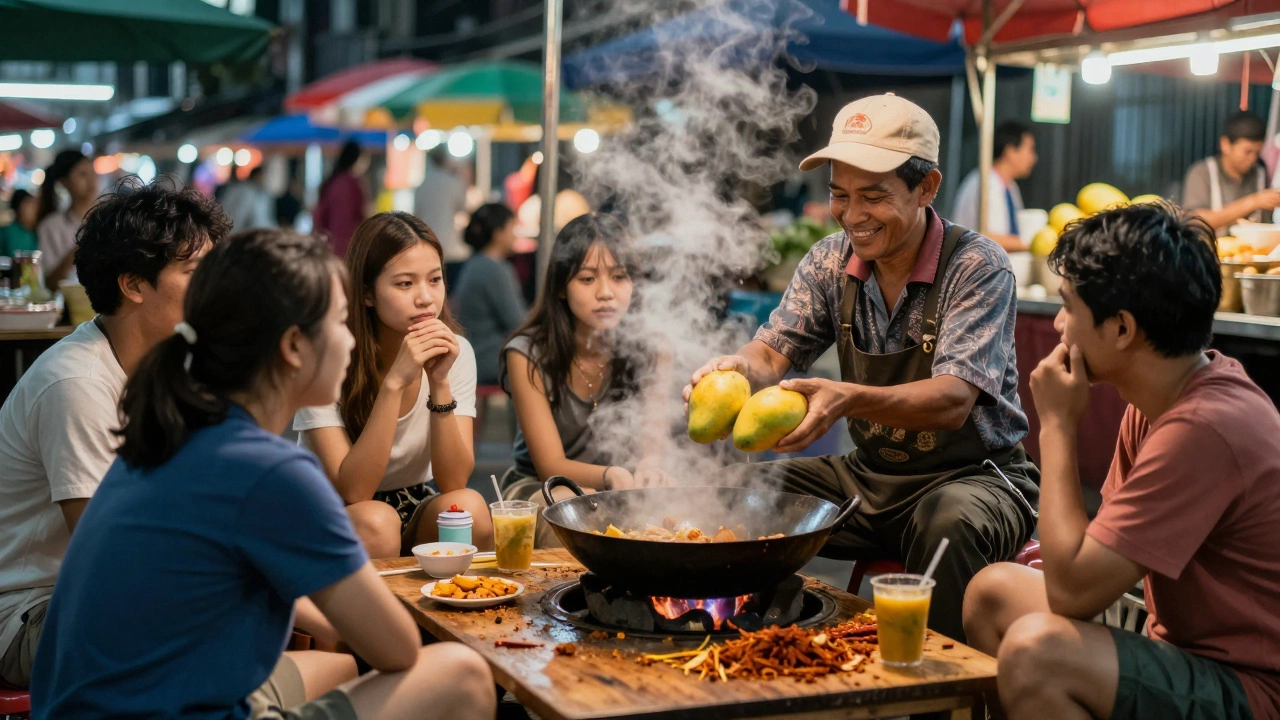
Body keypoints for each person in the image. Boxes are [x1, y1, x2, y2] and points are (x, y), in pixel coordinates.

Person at [29, 228, 496, 720]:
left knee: (340, 667)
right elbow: (398, 651)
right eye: (339, 322)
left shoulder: (174, 433)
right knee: (460, 673)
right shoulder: (271, 473)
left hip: (82, 704)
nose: (348, 337)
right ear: (294, 346)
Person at [684, 95, 1039, 642]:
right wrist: (734, 367)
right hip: (870, 479)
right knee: (734, 493)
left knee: (949, 521)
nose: (852, 216)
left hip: (976, 479)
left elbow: (953, 400)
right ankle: (750, 646)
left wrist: (847, 397)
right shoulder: (829, 260)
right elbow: (773, 353)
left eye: (873, 197)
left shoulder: (978, 265)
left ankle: (928, 698)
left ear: (927, 187)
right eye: (839, 195)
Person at [963, 202, 1280, 720]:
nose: (1060, 324)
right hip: (1177, 653)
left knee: (1035, 654)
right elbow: (1092, 560)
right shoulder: (1154, 403)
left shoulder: (1207, 427)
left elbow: (1071, 595)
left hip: (1251, 687)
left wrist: (1059, 426)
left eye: (1069, 306)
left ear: (1122, 329)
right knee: (992, 593)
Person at [0, 181, 230, 689]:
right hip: (34, 612)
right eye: (195, 273)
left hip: (114, 591)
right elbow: (112, 550)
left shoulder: (171, 365)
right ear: (133, 284)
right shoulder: (76, 383)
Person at [295, 212, 491, 558]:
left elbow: (453, 481)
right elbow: (354, 490)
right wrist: (394, 383)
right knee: (376, 520)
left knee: (470, 509)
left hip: (414, 501)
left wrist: (440, 380)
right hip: (336, 511)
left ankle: (445, 610)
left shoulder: (456, 352)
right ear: (367, 294)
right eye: (405, 284)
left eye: (435, 280)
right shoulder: (326, 356)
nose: (426, 298)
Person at [500, 214, 671, 527]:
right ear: (561, 287)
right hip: (542, 487)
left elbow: (651, 448)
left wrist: (650, 469)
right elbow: (549, 466)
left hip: (622, 487)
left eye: (619, 277)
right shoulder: (528, 353)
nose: (605, 292)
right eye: (588, 278)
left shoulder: (653, 349)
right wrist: (612, 475)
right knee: (571, 510)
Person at [452, 203, 527, 385]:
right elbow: (518, 323)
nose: (515, 235)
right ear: (498, 234)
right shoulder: (493, 269)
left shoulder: (475, 263)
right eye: (512, 228)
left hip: (476, 355)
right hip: (490, 361)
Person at [1182, 111, 1280, 235]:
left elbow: (1265, 223)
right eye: (1247, 152)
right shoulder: (1202, 172)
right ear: (1225, 145)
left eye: (1257, 152)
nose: (1253, 159)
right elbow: (1194, 221)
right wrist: (1254, 201)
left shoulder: (1260, 172)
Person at [951, 121, 1037, 252]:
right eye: (1030, 150)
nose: (1033, 158)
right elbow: (990, 238)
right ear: (1010, 151)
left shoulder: (1011, 187)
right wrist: (1034, 244)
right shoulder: (986, 183)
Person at [36, 150, 99, 285]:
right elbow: (49, 283)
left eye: (93, 173)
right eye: (82, 174)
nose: (91, 180)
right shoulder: (51, 226)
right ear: (64, 182)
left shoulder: (110, 220)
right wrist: (78, 251)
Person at [415, 146, 468, 267]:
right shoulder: (453, 183)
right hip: (450, 247)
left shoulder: (422, 186)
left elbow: (417, 214)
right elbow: (463, 207)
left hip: (427, 245)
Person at [313, 140, 369, 257]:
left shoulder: (332, 182)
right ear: (357, 159)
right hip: (347, 248)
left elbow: (319, 217)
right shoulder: (352, 184)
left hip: (327, 247)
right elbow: (358, 218)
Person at [221, 165, 277, 231]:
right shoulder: (243, 191)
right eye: (261, 176)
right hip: (244, 232)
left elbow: (267, 218)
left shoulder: (265, 194)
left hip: (260, 232)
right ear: (256, 176)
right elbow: (239, 215)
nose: (263, 180)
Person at [0, 189, 38, 256]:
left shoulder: (34, 232)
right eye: (30, 205)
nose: (35, 210)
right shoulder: (8, 232)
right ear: (19, 208)